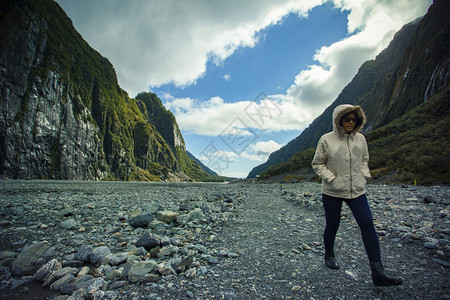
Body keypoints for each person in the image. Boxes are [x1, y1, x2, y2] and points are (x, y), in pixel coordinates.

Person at [311, 104, 402, 286]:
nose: (351, 122)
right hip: (333, 191)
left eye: (354, 119)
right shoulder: (326, 140)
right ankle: (329, 254)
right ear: (339, 120)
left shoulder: (360, 139)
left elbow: (364, 160)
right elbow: (318, 164)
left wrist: (364, 175)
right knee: (333, 225)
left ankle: (378, 272)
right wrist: (332, 179)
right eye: (347, 119)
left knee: (367, 223)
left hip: (357, 191)